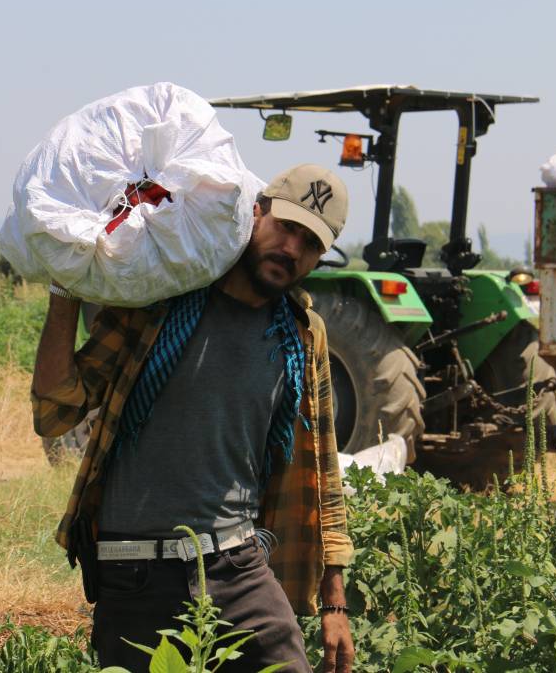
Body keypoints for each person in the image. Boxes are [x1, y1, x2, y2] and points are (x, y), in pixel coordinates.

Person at [32, 164, 355, 673]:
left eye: (311, 243)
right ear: (255, 213)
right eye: (286, 228)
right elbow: (55, 410)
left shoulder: (302, 334)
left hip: (237, 565)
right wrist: (64, 291)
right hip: (133, 569)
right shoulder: (159, 302)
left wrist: (334, 602)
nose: (292, 249)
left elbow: (324, 471)